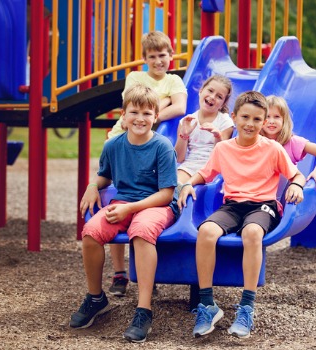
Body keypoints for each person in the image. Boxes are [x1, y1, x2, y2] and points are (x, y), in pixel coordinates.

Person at [178, 91, 306, 339]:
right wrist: (187, 184)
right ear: (234, 117)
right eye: (245, 117)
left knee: (252, 232)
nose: (250, 123)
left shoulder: (273, 148)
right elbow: (205, 174)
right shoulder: (224, 148)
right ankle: (207, 305)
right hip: (233, 205)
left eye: (257, 119)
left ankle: (246, 307)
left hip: (263, 206)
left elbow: (296, 175)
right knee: (205, 231)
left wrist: (296, 185)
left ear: (263, 120)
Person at [69, 84, 179, 343]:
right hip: (123, 202)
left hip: (156, 206)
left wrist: (130, 208)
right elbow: (105, 175)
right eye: (134, 112)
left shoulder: (162, 146)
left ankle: (144, 310)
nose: (140, 118)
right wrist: (92, 185)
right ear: (123, 115)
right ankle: (96, 298)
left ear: (155, 117)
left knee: (141, 233)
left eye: (147, 113)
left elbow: (166, 194)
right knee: (91, 233)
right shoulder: (113, 145)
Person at [107, 31, 187, 297]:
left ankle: (142, 275)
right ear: (144, 59)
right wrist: (157, 105)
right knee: (113, 201)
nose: (158, 61)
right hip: (121, 140)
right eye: (152, 57)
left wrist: (152, 114)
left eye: (162, 55)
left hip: (151, 145)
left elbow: (180, 107)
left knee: (143, 212)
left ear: (171, 56)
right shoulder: (135, 78)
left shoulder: (174, 80)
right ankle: (119, 272)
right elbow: (134, 104)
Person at [261, 95, 316, 192]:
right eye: (267, 117)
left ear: (284, 120)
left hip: (284, 196)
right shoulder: (256, 142)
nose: (271, 121)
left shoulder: (292, 142)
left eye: (276, 117)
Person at [175, 75, 234, 185]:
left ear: (223, 104)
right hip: (190, 165)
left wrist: (217, 136)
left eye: (219, 97)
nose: (212, 97)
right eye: (210, 90)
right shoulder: (186, 121)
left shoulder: (225, 122)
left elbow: (222, 156)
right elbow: (179, 158)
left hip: (212, 167)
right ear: (201, 91)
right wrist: (183, 135)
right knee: (173, 184)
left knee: (186, 186)